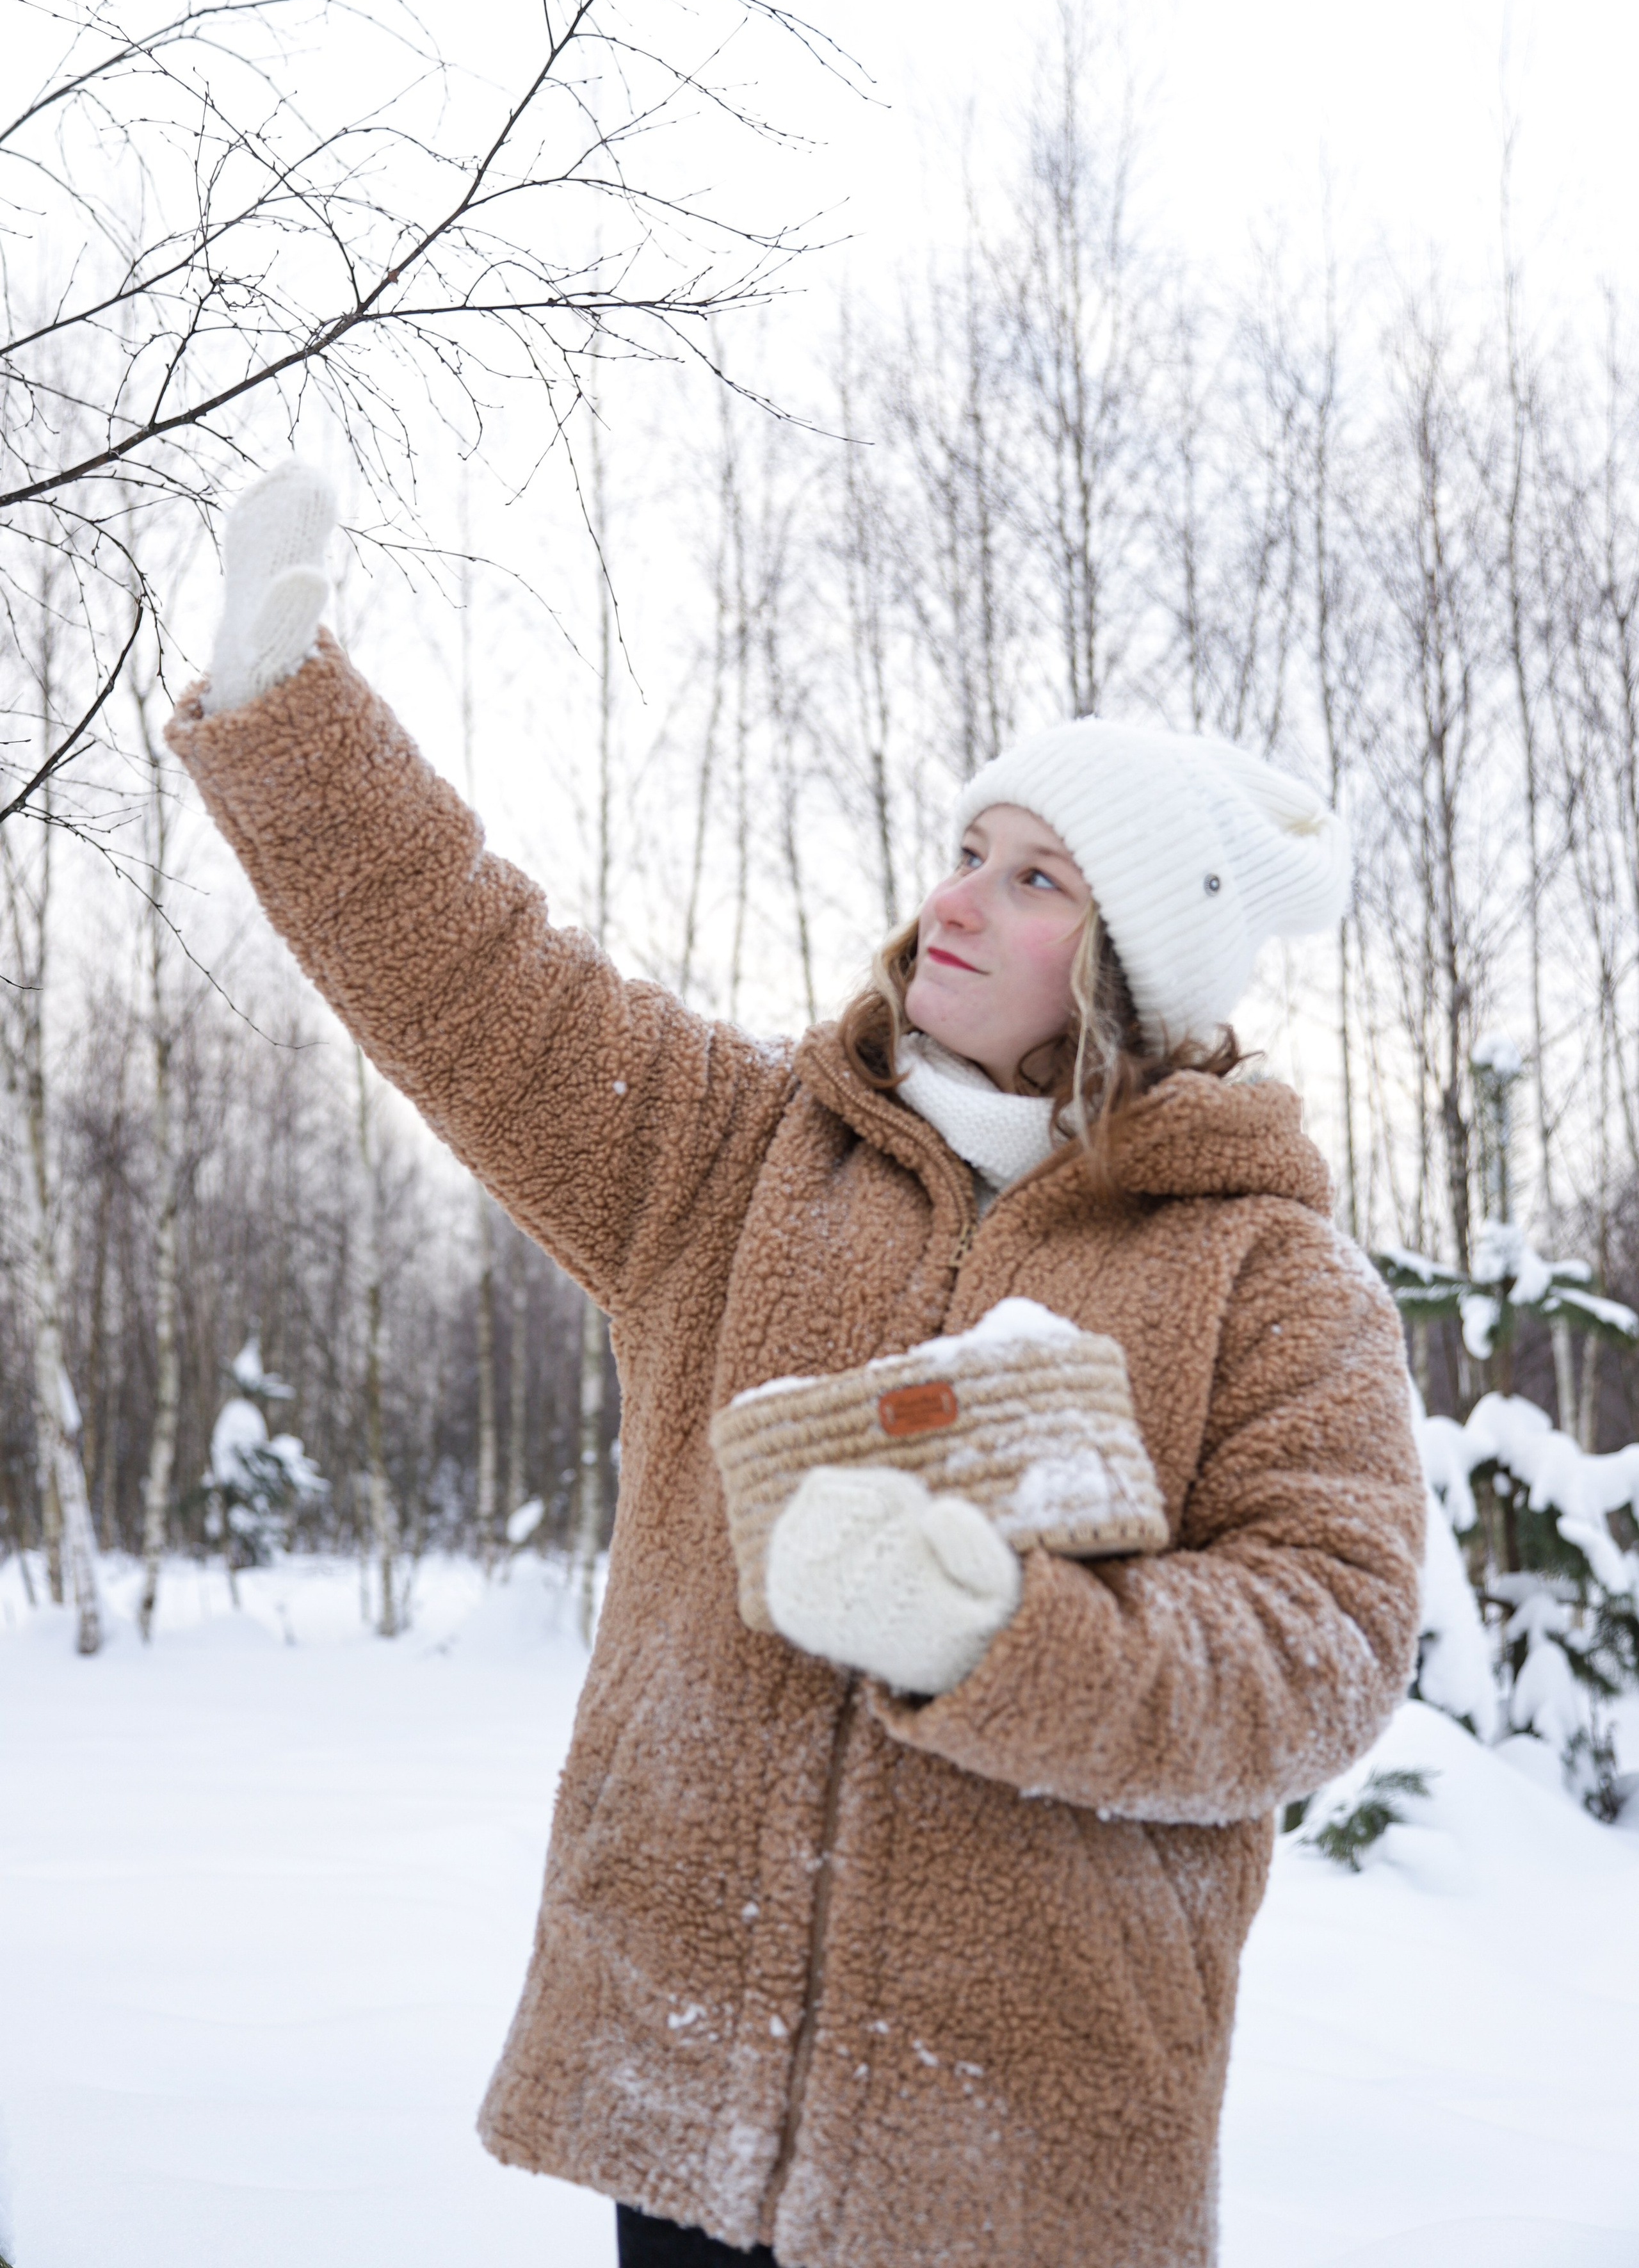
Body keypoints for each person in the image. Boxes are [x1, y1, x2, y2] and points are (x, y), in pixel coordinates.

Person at [166, 462, 1424, 2268]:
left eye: (1036, 878)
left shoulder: (1265, 1276)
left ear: (1134, 962)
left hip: (1018, 2141)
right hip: (688, 2091)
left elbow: (1321, 1647)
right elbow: (475, 977)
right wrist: (292, 717)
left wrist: (999, 1635)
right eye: (968, 853)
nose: (958, 904)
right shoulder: (737, 1160)